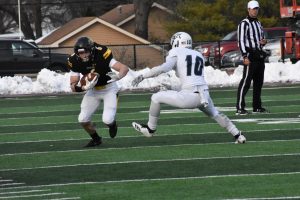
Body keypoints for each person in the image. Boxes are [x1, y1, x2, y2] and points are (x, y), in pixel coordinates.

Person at [131, 32, 246, 144]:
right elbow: (190, 78)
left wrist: (143, 76)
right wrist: (172, 87)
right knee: (216, 114)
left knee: (156, 97)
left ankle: (150, 129)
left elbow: (164, 68)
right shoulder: (198, 54)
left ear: (177, 42)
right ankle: (238, 134)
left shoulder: (176, 51)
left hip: (189, 96)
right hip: (203, 94)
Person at [68, 36, 129, 147]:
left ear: (91, 49)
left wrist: (118, 76)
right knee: (82, 119)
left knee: (107, 119)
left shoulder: (102, 54)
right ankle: (96, 139)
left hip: (109, 89)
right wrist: (81, 88)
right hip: (93, 91)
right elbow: (73, 84)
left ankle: (112, 125)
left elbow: (124, 68)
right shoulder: (74, 60)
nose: (84, 55)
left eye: (86, 52)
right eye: (80, 53)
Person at [236, 0, 268, 115]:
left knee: (259, 82)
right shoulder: (244, 23)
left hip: (259, 54)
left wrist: (264, 42)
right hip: (250, 55)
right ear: (248, 9)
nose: (255, 11)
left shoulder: (258, 23)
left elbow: (262, 38)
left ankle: (257, 106)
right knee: (246, 82)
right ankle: (240, 107)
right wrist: (244, 56)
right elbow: (241, 41)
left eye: (257, 9)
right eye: (253, 9)